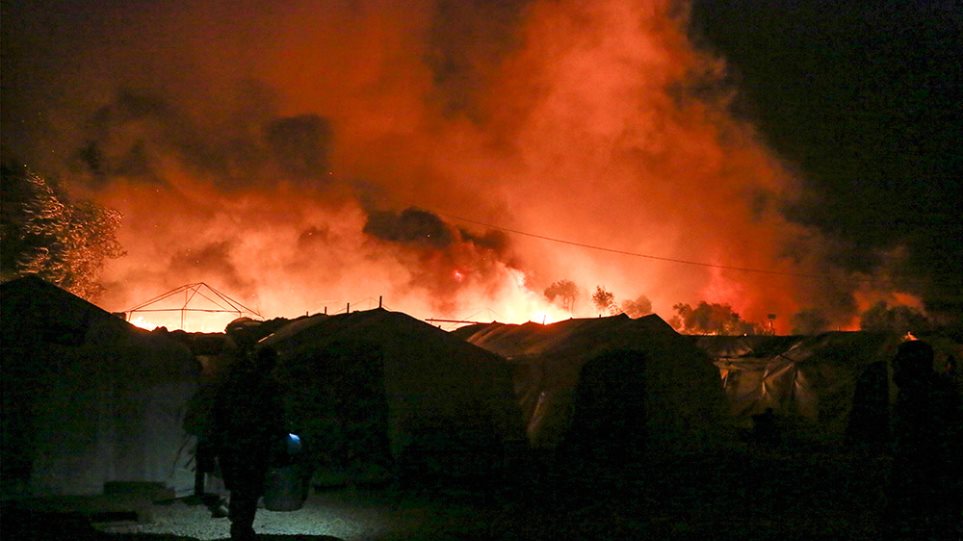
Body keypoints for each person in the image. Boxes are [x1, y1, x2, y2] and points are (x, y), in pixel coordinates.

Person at [882, 340, 962, 540]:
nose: (894, 366)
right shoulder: (935, 389)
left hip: (925, 472)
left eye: (899, 361)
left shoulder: (920, 394)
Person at [210, 346, 286, 541]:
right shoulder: (268, 385)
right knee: (250, 485)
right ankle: (242, 526)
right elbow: (275, 415)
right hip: (253, 442)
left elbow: (220, 411)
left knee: (241, 483)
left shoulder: (235, 383)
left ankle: (239, 520)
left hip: (235, 440)